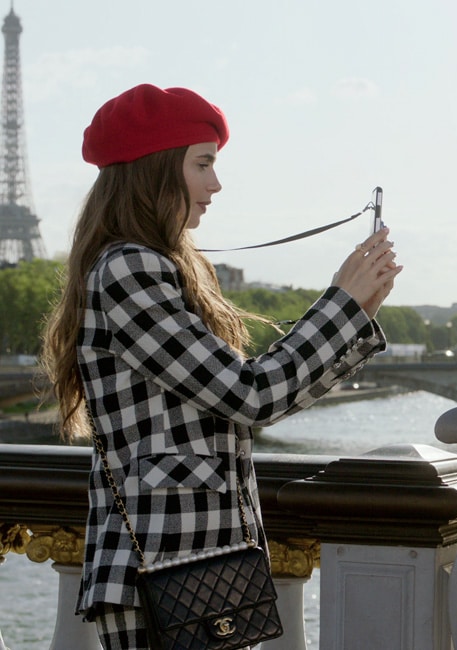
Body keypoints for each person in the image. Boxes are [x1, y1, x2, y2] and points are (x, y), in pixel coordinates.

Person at [40, 83, 402, 649]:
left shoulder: (151, 265)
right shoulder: (130, 269)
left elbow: (242, 400)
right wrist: (343, 308)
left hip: (199, 567)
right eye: (203, 164)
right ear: (156, 169)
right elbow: (250, 395)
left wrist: (354, 313)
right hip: (164, 570)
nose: (216, 184)